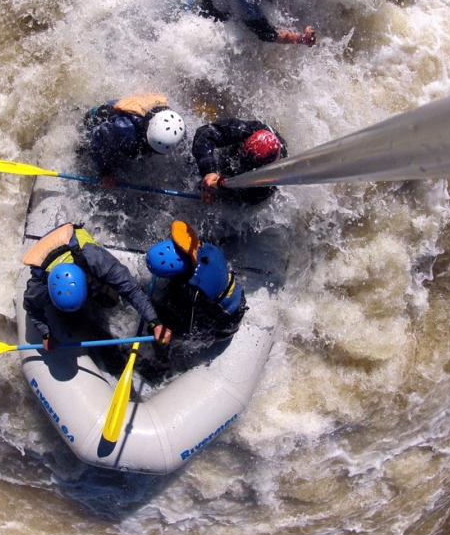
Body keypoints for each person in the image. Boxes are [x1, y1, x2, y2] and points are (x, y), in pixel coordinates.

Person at [22, 223, 171, 351]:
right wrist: (46, 334)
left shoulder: (95, 259)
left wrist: (154, 322)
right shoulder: (39, 286)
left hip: (79, 253)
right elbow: (31, 307)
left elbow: (131, 290)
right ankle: (110, 351)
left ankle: (150, 307)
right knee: (75, 322)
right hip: (55, 258)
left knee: (111, 300)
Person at [141, 221, 248, 379]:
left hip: (225, 324)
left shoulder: (191, 293)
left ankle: (163, 364)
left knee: (156, 326)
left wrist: (157, 313)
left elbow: (189, 329)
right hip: (232, 295)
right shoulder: (207, 250)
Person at [83, 92, 186, 189]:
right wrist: (106, 173)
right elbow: (94, 142)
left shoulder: (176, 124)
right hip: (99, 117)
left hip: (129, 117)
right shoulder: (124, 129)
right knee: (83, 149)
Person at [192, 119, 287, 205]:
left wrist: (216, 194)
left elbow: (241, 199)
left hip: (249, 185)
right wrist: (209, 170)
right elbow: (205, 133)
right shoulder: (248, 130)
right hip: (233, 156)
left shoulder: (270, 182)